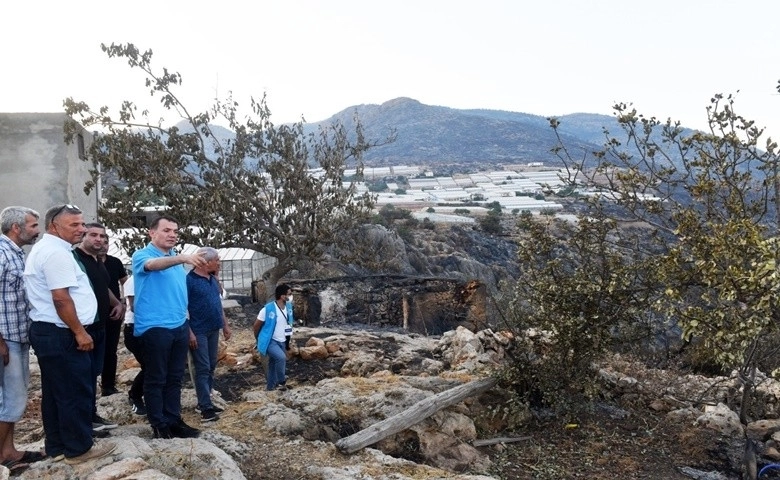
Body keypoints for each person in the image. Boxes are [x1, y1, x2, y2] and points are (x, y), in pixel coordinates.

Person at [24, 204, 115, 464]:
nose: (82, 229)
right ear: (53, 226)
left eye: (82, 223)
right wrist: (79, 332)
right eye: (74, 225)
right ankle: (78, 449)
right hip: (62, 332)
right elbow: (61, 298)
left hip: (53, 331)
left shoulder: (52, 249)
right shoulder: (55, 253)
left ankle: (58, 446)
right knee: (75, 391)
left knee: (56, 393)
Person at [132, 215, 207, 439]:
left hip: (179, 325)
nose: (172, 234)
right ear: (151, 233)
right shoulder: (142, 255)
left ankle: (174, 420)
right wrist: (183, 258)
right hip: (155, 327)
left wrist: (187, 322)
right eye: (166, 230)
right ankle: (158, 423)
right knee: (156, 377)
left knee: (175, 377)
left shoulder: (175, 259)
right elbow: (152, 266)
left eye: (175, 231)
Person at [0, 206, 44, 472]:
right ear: (16, 228)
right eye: (33, 225)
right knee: (12, 399)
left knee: (13, 400)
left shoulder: (15, 253)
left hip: (16, 337)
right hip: (6, 340)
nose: (37, 231)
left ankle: (9, 451)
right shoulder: (2, 253)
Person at [74, 223, 123, 434]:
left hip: (102, 324)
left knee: (94, 372)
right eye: (93, 235)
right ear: (82, 236)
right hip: (85, 327)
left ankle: (91, 414)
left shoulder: (98, 262)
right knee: (83, 375)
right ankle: (83, 420)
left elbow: (103, 287)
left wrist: (117, 303)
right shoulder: (75, 259)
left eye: (102, 236)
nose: (99, 240)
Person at [186, 247, 231, 422]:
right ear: (206, 262)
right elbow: (183, 309)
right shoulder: (189, 281)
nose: (219, 263)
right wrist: (189, 333)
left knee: (211, 365)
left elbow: (218, 305)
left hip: (214, 329)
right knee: (202, 367)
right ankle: (205, 407)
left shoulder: (212, 279)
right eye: (217, 260)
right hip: (198, 331)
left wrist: (225, 326)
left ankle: (206, 400)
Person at [98, 243, 128, 396]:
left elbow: (125, 282)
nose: (103, 245)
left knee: (111, 349)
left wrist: (123, 302)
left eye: (105, 241)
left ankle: (108, 385)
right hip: (94, 312)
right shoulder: (88, 262)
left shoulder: (115, 262)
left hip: (114, 312)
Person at [253, 284, 294, 391]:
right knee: (281, 358)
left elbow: (288, 324)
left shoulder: (288, 307)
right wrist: (259, 339)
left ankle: (270, 387)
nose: (291, 296)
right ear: (282, 296)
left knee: (272, 363)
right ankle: (281, 382)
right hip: (270, 341)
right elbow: (256, 325)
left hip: (282, 340)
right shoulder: (267, 309)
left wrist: (288, 342)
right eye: (289, 294)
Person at [122, 274, 146, 416]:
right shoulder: (132, 281)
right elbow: (134, 306)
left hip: (150, 327)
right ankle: (135, 395)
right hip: (135, 328)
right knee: (149, 366)